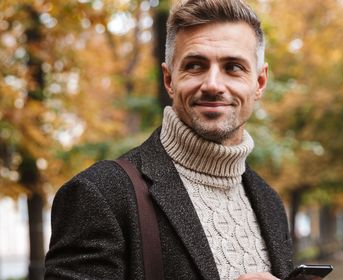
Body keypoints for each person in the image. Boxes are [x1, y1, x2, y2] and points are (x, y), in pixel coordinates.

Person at [44, 0, 293, 279]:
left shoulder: (270, 203)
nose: (212, 84)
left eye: (233, 67)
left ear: (259, 83)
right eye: (195, 65)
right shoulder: (101, 194)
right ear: (169, 79)